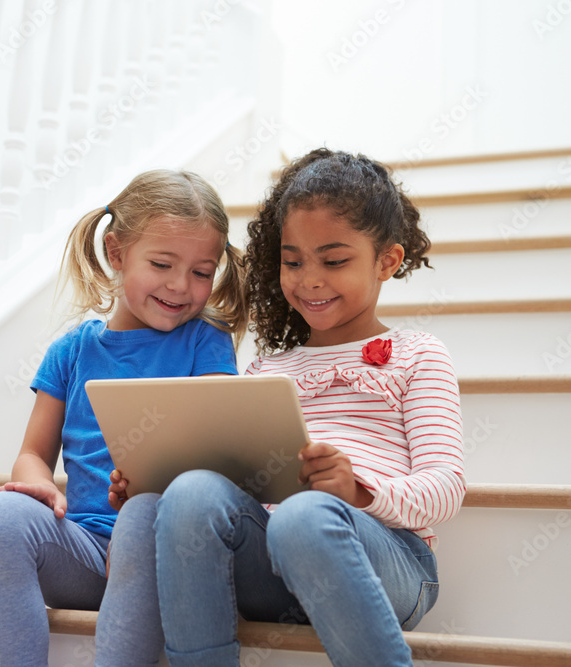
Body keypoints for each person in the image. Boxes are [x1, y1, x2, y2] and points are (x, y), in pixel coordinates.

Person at [153, 148, 466, 666]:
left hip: (389, 561)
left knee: (304, 515)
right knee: (190, 492)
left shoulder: (418, 355)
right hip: (272, 566)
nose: (309, 278)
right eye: (292, 261)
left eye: (334, 260)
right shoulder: (263, 371)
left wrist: (360, 492)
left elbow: (445, 487)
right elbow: (231, 488)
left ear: (387, 259)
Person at [0, 169, 247, 667]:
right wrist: (39, 485)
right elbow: (33, 454)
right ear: (117, 253)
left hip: (164, 555)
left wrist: (139, 509)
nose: (182, 286)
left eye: (203, 272)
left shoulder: (206, 342)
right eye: (162, 263)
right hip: (85, 549)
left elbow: (215, 449)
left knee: (140, 518)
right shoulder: (71, 351)